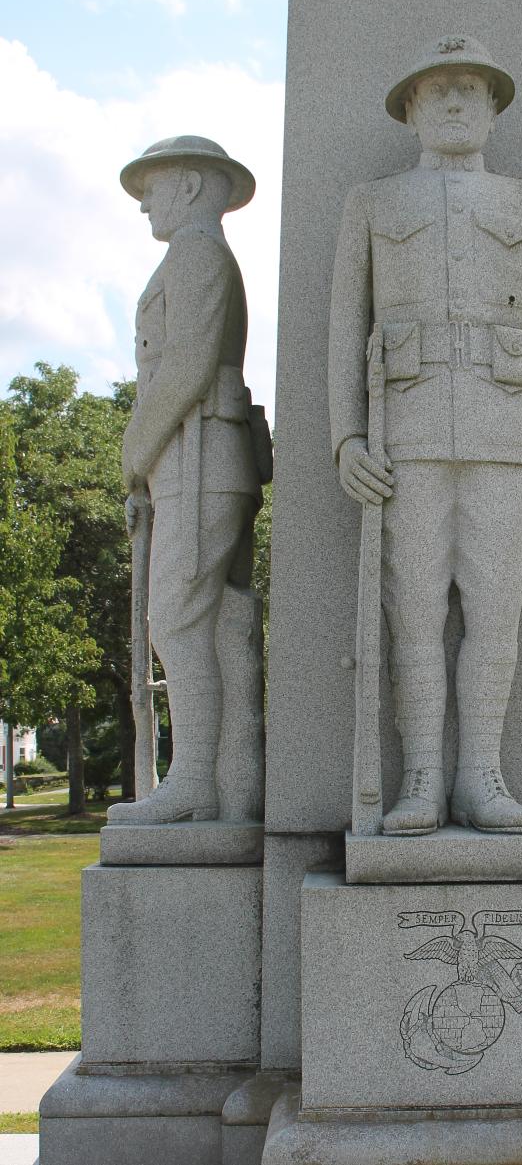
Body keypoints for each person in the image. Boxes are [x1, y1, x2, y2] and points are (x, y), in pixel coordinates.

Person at [329, 36, 522, 835]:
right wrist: (347, 437)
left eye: (473, 89)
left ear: (497, 107)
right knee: (413, 613)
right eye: (440, 91)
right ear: (410, 110)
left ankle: (482, 775)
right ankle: (424, 778)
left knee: (496, 617)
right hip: (405, 441)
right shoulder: (372, 203)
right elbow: (345, 327)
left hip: (507, 435)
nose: (459, 102)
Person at [108, 136, 268, 824]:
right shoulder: (190, 254)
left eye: (157, 184)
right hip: (192, 458)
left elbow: (186, 367)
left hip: (201, 457)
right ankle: (224, 779)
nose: (146, 200)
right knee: (209, 623)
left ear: (196, 187)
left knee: (176, 618)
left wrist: (133, 451)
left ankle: (197, 780)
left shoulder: (199, 253)